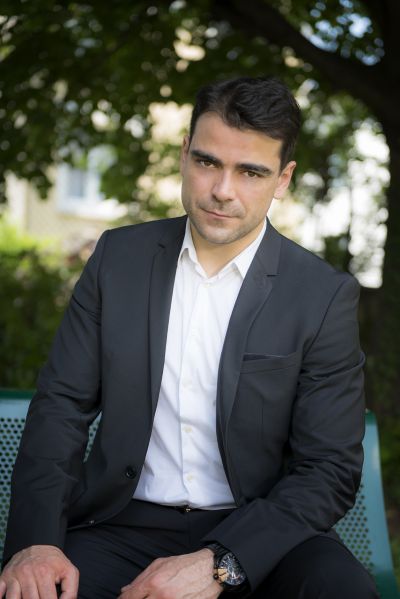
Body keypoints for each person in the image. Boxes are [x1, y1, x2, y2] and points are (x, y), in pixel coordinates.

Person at [0, 76, 378, 599]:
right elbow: (61, 406)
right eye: (207, 162)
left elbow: (329, 468)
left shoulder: (320, 294)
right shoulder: (118, 259)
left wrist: (221, 563)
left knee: (340, 589)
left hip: (258, 531)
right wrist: (36, 543)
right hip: (120, 525)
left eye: (250, 172)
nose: (223, 190)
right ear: (184, 154)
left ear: (283, 179)